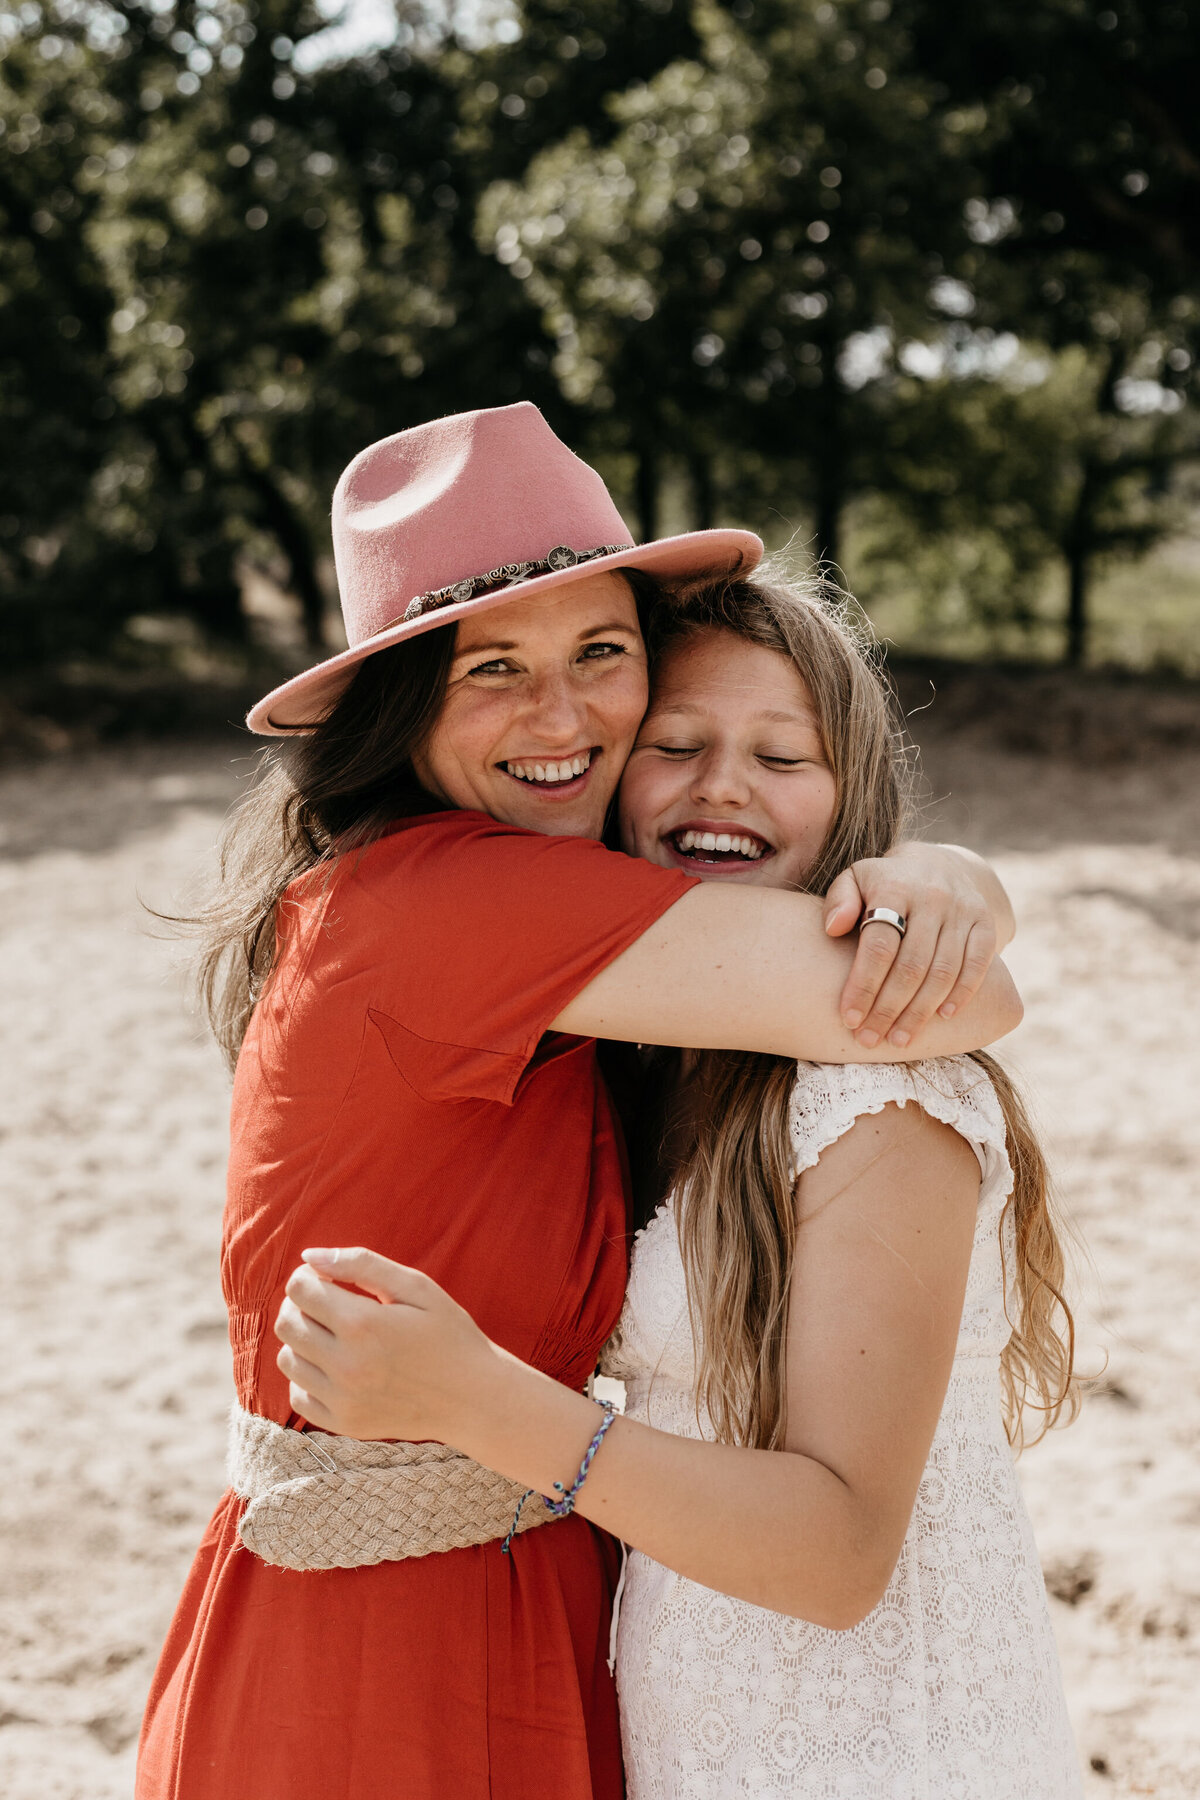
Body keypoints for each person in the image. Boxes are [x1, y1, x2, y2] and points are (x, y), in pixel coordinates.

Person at [137, 402, 1020, 1800]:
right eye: (494, 669)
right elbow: (948, 1000)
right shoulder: (452, 899)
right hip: (390, 1648)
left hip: (537, 1595)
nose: (564, 721)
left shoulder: (593, 969)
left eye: (602, 655)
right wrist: (960, 885)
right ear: (402, 700)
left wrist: (941, 872)